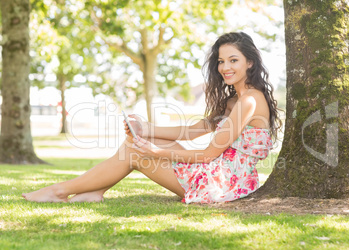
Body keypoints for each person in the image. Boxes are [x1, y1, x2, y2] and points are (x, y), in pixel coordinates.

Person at [22, 32, 282, 204]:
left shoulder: (249, 100)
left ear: (250, 62)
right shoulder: (234, 100)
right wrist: (145, 129)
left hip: (224, 182)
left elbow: (207, 154)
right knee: (138, 142)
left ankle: (60, 191)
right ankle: (94, 192)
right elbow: (192, 131)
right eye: (221, 61)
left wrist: (155, 150)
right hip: (220, 173)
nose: (225, 67)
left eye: (233, 60)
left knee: (136, 152)